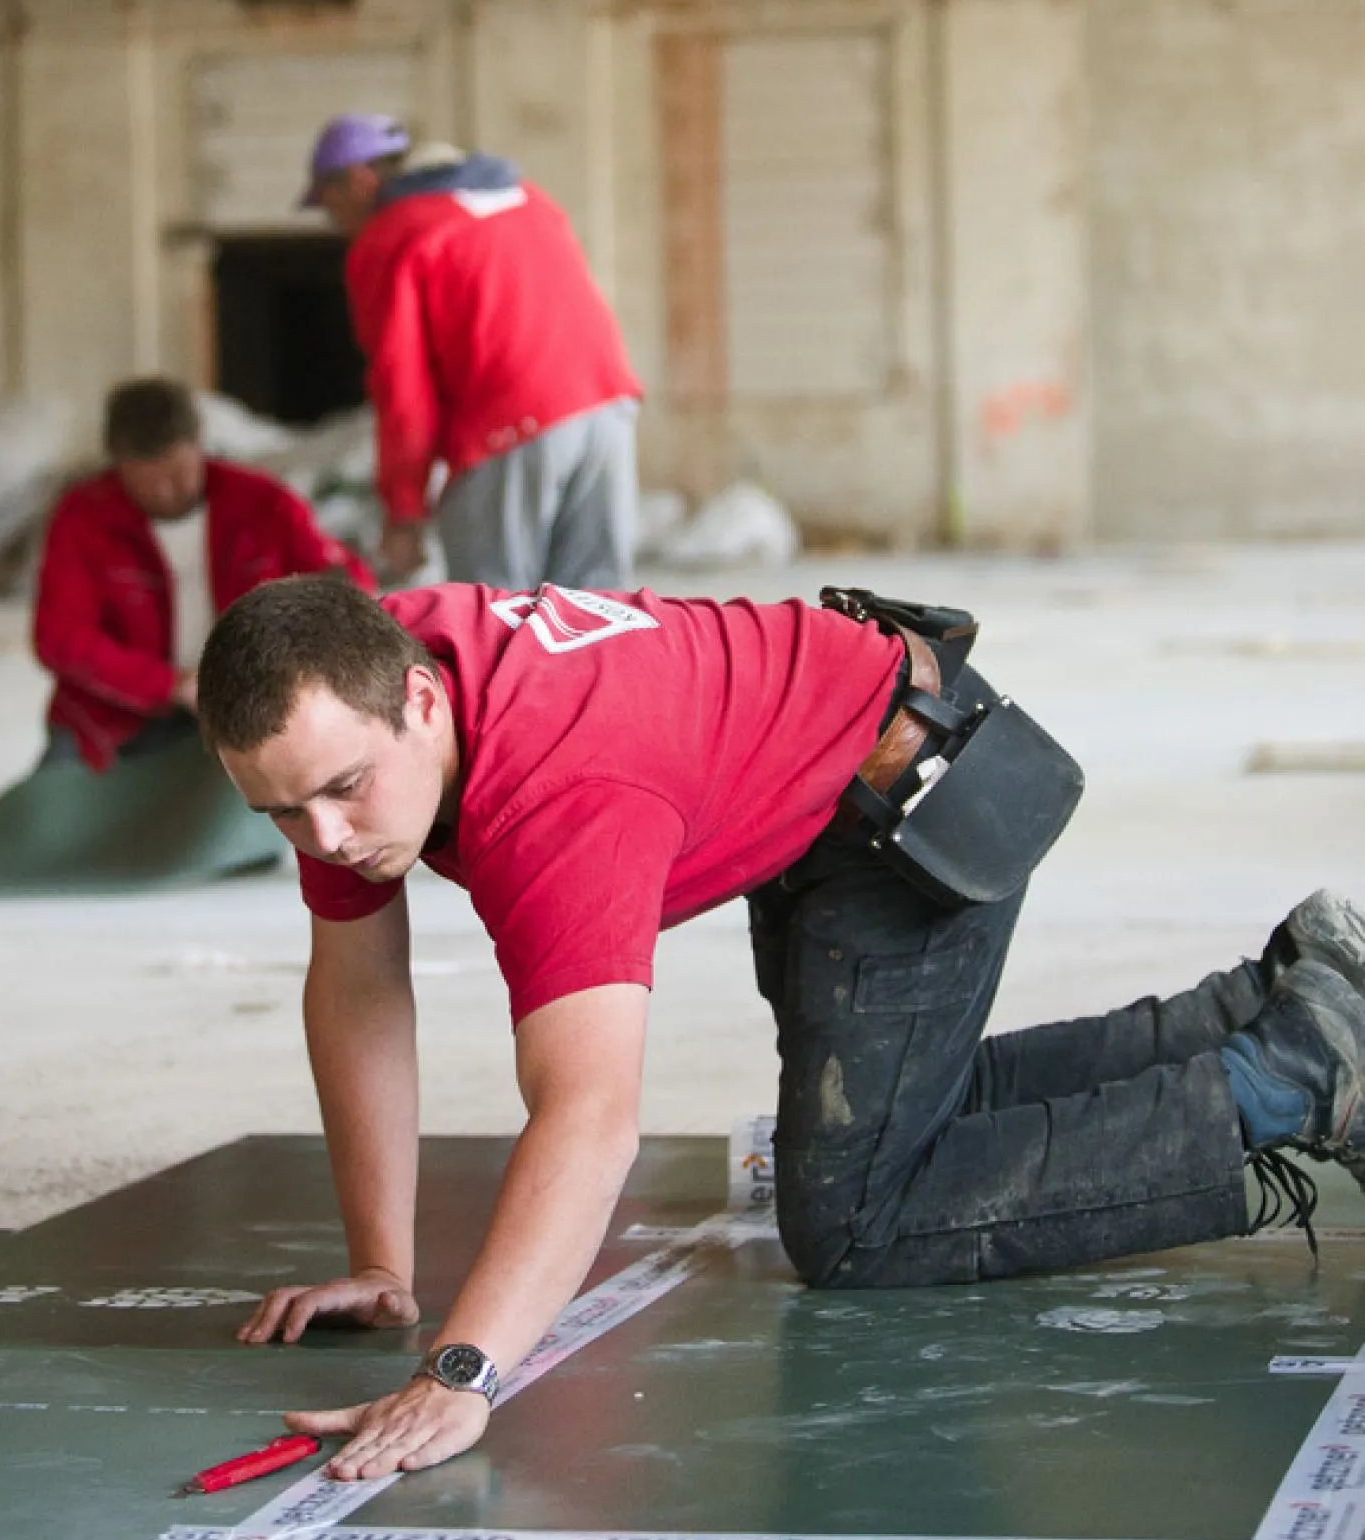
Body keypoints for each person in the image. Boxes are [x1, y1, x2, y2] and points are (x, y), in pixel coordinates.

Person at [194, 574, 1365, 1482]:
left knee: (857, 1219)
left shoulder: (554, 800)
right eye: (281, 812)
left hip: (912, 797)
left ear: (420, 698)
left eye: (344, 790)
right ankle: (1279, 1001)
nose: (329, 838)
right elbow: (356, 985)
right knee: (889, 1131)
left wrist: (463, 1373)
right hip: (820, 773)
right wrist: (383, 1264)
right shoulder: (354, 684)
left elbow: (590, 1116)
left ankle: (1300, 1076)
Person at [300, 112, 642, 593]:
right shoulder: (527, 197)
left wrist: (404, 513)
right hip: (607, 406)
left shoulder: (391, 236)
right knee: (598, 611)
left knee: (494, 616)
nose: (335, 224)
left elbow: (402, 387)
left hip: (510, 424)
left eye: (330, 204)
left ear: (359, 181)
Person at [31, 378, 374, 771]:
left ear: (199, 447)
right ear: (117, 465)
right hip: (109, 721)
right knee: (51, 816)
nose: (164, 491)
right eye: (147, 479)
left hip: (244, 711)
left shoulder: (263, 505)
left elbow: (345, 585)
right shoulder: (82, 519)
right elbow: (60, 637)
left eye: (177, 473)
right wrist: (170, 685)